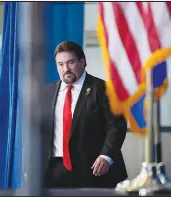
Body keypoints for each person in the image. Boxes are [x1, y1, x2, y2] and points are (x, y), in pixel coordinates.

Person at [41, 41, 128, 188]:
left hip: (94, 170)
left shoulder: (104, 89)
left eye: (70, 62)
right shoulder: (46, 92)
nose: (66, 69)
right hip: (54, 171)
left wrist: (106, 156)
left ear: (83, 61)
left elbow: (116, 125)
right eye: (60, 64)